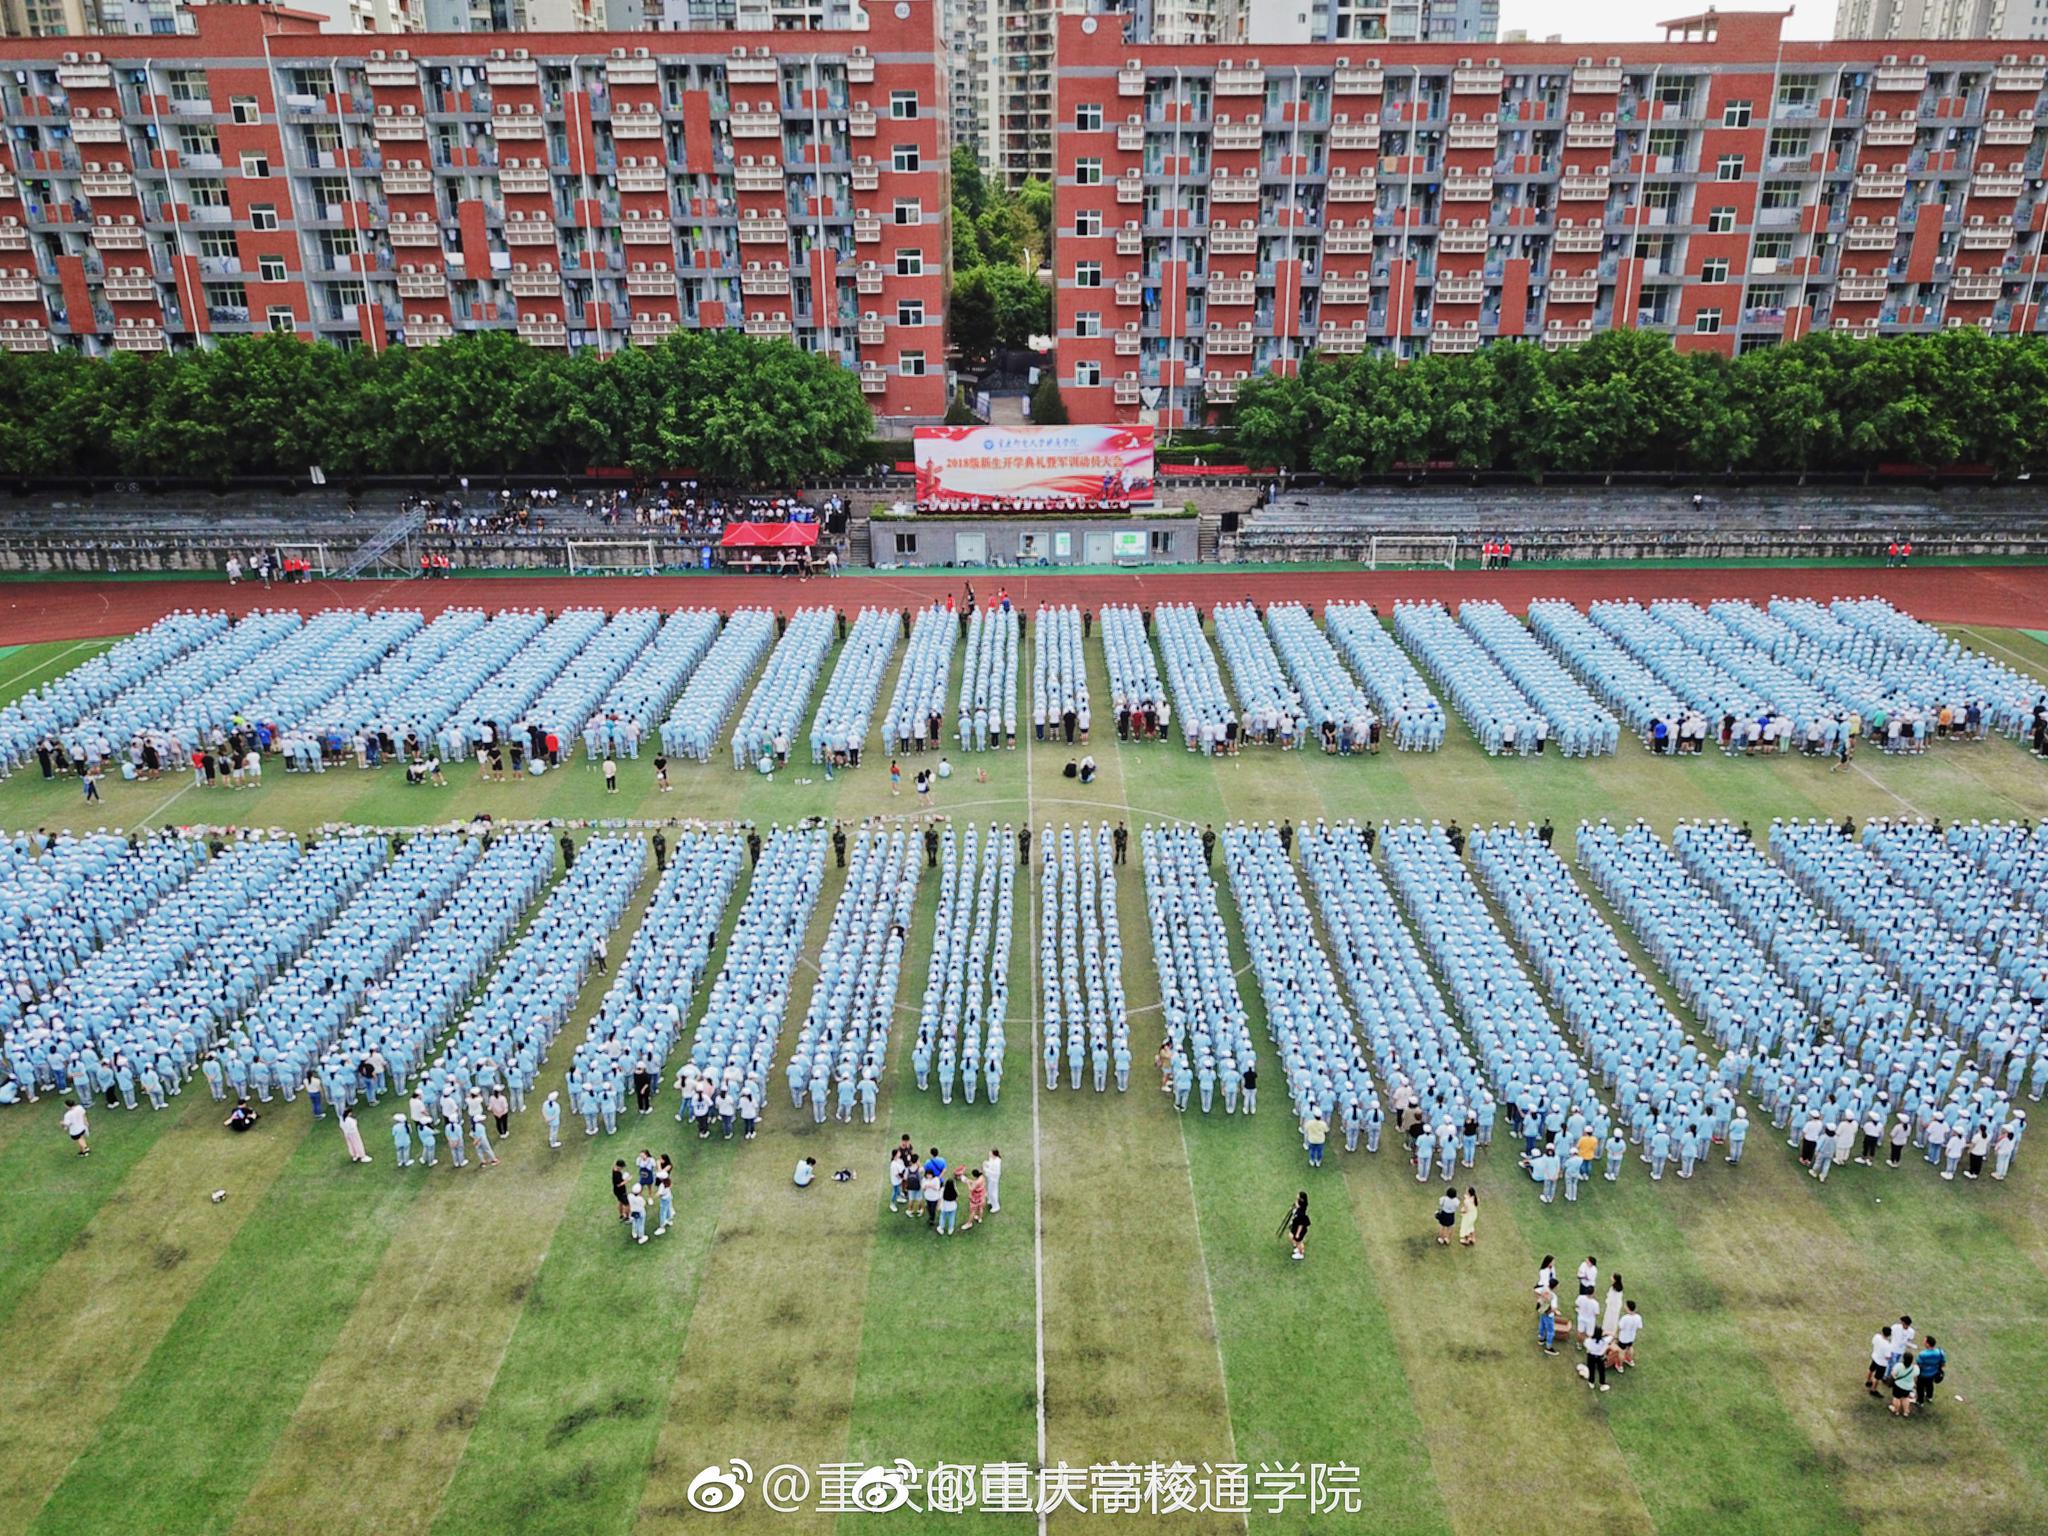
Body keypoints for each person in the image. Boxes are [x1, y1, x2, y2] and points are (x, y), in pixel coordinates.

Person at [1914, 1336, 1944, 1407]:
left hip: (1923, 1374)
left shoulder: (1923, 1354)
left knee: (1920, 1388)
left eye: (1924, 1341)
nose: (1923, 1342)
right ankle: (1929, 1397)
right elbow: (1943, 1363)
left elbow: (1919, 1365)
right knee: (1930, 1385)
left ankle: (1920, 1402)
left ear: (1928, 1344)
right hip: (1933, 1373)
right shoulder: (1940, 1352)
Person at [1887, 1349, 1919, 1417]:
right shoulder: (1915, 1368)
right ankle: (1906, 1412)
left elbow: (1893, 1374)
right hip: (1908, 1387)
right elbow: (1916, 1376)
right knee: (1905, 1398)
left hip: (1898, 1385)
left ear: (1903, 1358)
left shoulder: (1899, 1366)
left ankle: (1896, 1410)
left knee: (1896, 1398)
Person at [1285, 1191, 1311, 1262]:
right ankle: (1297, 1246)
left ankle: (1300, 1253)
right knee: (1291, 1236)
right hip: (1296, 1226)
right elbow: (1297, 1205)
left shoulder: (1301, 1213)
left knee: (1298, 1241)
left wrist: (1298, 1234)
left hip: (1299, 1229)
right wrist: (1296, 1200)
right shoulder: (1302, 1205)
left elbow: (1301, 1225)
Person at [985, 1147, 1002, 1214]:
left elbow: (996, 1173)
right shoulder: (992, 1159)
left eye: (990, 1153)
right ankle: (990, 1200)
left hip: (994, 1179)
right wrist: (986, 1164)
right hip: (990, 1177)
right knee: (989, 1190)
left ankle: (996, 1206)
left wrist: (986, 1169)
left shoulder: (997, 1162)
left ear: (994, 1154)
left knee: (993, 1192)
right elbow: (990, 1164)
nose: (989, 1153)